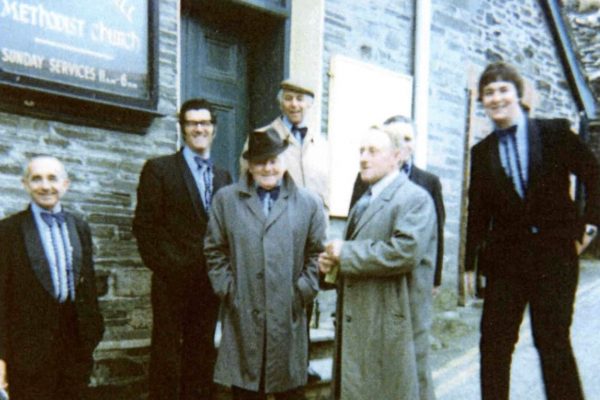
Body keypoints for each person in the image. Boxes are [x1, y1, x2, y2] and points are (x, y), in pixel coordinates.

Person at [464, 61, 600, 400]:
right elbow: (477, 212)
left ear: (517, 93)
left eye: (502, 90)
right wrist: (469, 263)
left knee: (552, 342)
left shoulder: (553, 133)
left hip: (555, 258)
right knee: (493, 345)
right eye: (488, 93)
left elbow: (594, 175)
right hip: (506, 263)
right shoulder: (481, 154)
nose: (496, 98)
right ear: (482, 100)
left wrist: (590, 226)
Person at [205, 128, 327, 400]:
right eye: (260, 161)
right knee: (246, 390)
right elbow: (215, 250)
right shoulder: (226, 200)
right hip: (243, 313)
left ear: (284, 161)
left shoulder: (308, 203)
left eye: (273, 160)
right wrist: (229, 291)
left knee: (290, 390)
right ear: (249, 164)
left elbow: (317, 254)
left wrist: (302, 291)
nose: (268, 168)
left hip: (289, 313)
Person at [319, 125, 437, 400]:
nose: (363, 157)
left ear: (396, 157)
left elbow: (404, 252)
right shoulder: (365, 199)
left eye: (373, 151)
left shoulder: (414, 198)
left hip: (390, 323)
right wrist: (331, 266)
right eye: (361, 150)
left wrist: (345, 253)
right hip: (363, 321)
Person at [132, 99, 232, 400]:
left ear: (214, 129)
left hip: (208, 284)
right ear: (183, 128)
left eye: (205, 123)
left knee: (201, 353)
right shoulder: (159, 169)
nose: (199, 128)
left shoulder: (223, 176)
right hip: (171, 282)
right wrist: (166, 268)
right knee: (166, 355)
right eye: (192, 123)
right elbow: (144, 227)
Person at [240, 78, 330, 381]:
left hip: (307, 233)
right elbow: (246, 185)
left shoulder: (320, 142)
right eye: (289, 99)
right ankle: (262, 367)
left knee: (302, 300)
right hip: (271, 228)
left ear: (310, 104)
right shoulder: (263, 136)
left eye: (301, 100)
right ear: (281, 102)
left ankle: (298, 362)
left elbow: (324, 193)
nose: (295, 105)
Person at [0, 156, 104, 400]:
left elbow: (87, 285)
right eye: (36, 179)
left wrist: (92, 332)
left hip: (75, 347)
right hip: (28, 351)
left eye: (52, 178)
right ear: (25, 184)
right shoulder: (8, 231)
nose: (45, 186)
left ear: (65, 184)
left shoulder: (79, 227)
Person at [349, 115, 445, 289]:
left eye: (408, 139)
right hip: (367, 277)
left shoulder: (427, 184)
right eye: (396, 138)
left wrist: (435, 279)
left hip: (403, 282)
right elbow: (355, 227)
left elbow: (435, 233)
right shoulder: (366, 177)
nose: (403, 144)